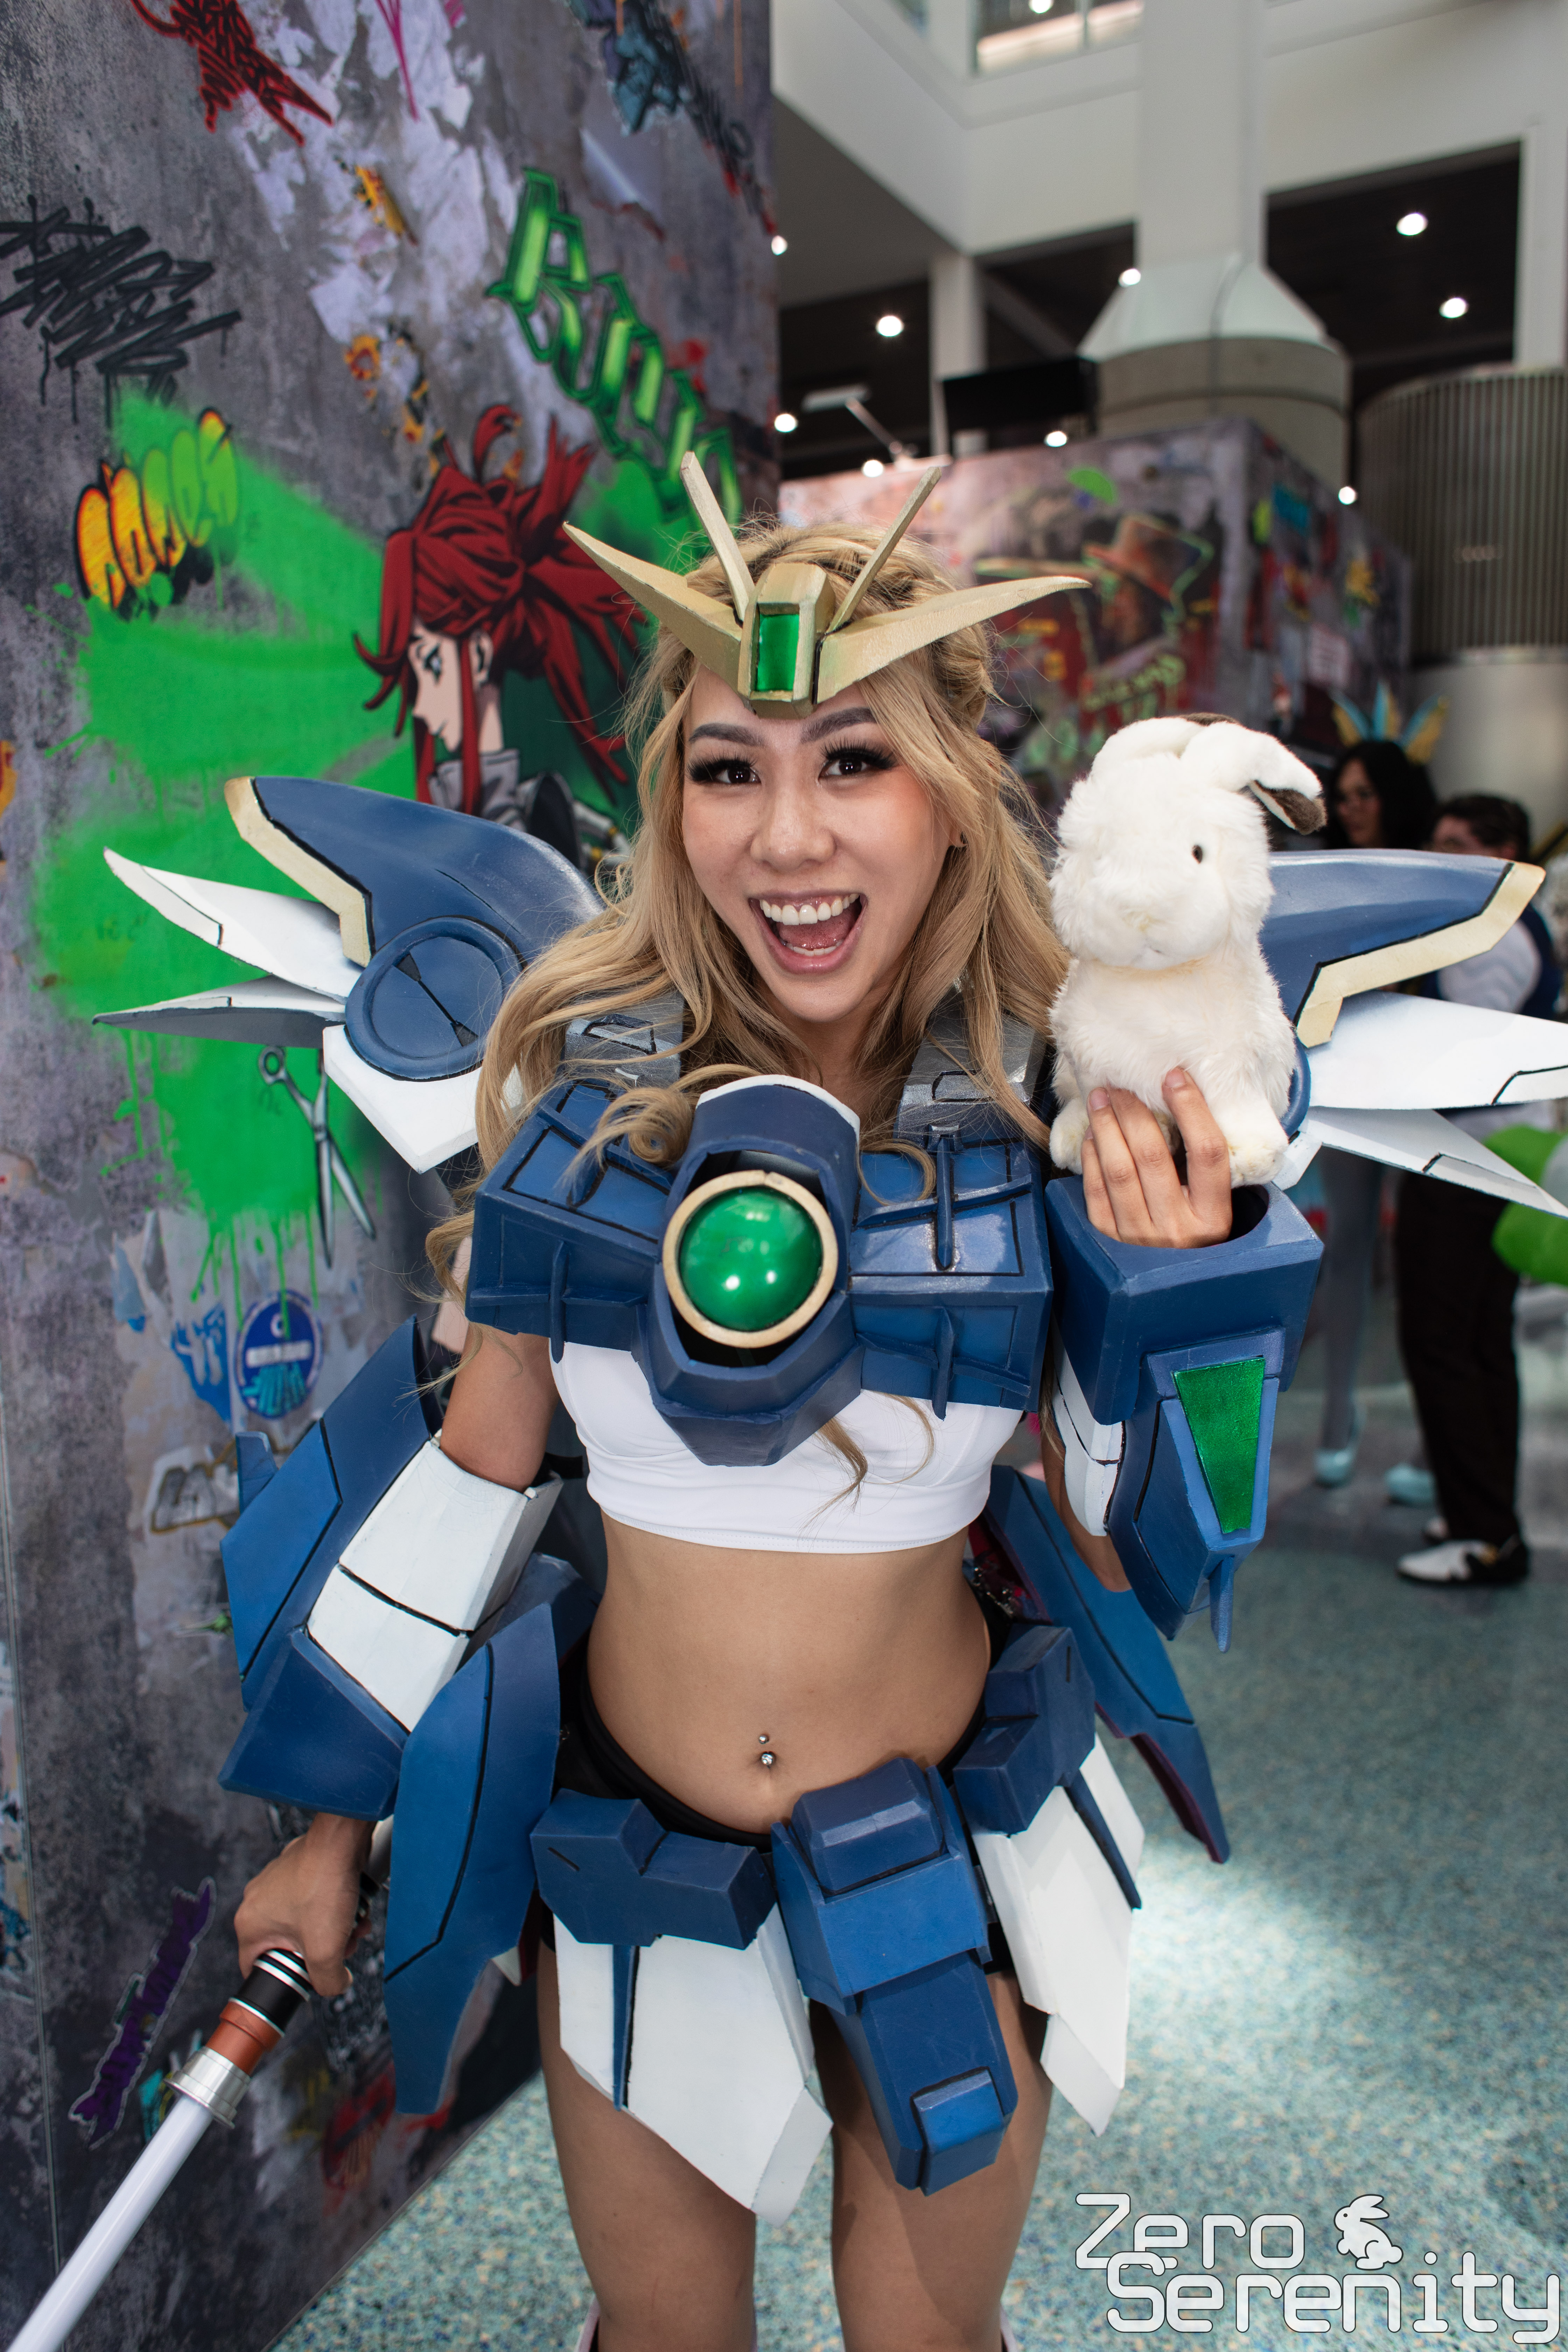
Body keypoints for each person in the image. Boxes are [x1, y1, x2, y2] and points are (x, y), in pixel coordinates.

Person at [232, 509, 1242, 2352]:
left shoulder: (1052, 1100)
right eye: (728, 769)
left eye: (852, 760)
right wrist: (328, 1822)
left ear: (948, 796)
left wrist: (1165, 1307)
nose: (786, 838)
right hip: (640, 1854)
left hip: (953, 1858)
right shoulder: (583, 1098)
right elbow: (472, 1481)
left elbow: (1126, 1563)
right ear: (671, 799)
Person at [1395, 793, 1559, 1588]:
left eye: (1457, 844)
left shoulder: (1487, 938)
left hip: (1465, 1162)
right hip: (1492, 1157)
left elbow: (1466, 1064)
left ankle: (1484, 1535)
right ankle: (1483, 1516)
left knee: (1445, 1344)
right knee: (1481, 1344)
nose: (1441, 858)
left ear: (1503, 854)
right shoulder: (1513, 928)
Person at [356, 404, 641, 862]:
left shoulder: (531, 831)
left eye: (431, 664)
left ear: (479, 656)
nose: (422, 706)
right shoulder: (491, 820)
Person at [1313, 738, 1440, 1487]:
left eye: (1365, 794)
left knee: (1431, 1267)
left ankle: (1435, 1444)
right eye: (1345, 796)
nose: (1352, 808)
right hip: (1353, 1080)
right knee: (1349, 1251)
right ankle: (1337, 1417)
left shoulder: (1429, 870)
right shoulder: (1334, 874)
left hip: (1425, 1087)